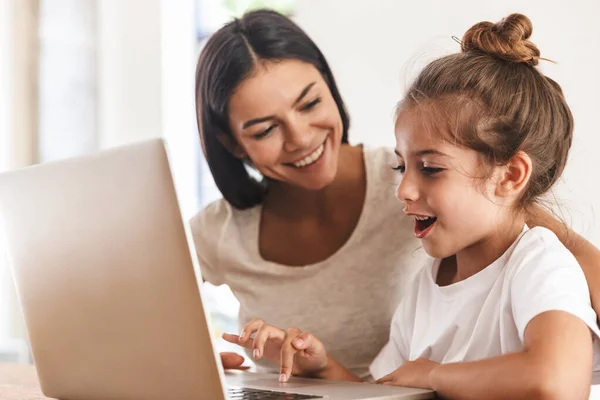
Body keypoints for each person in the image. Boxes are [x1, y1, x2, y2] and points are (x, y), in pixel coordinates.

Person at [192, 9, 600, 379]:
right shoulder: (426, 285)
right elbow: (383, 390)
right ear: (232, 144)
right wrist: (320, 367)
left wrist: (431, 375)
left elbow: (555, 377)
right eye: (265, 129)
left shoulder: (535, 259)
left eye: (311, 103)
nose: (403, 189)